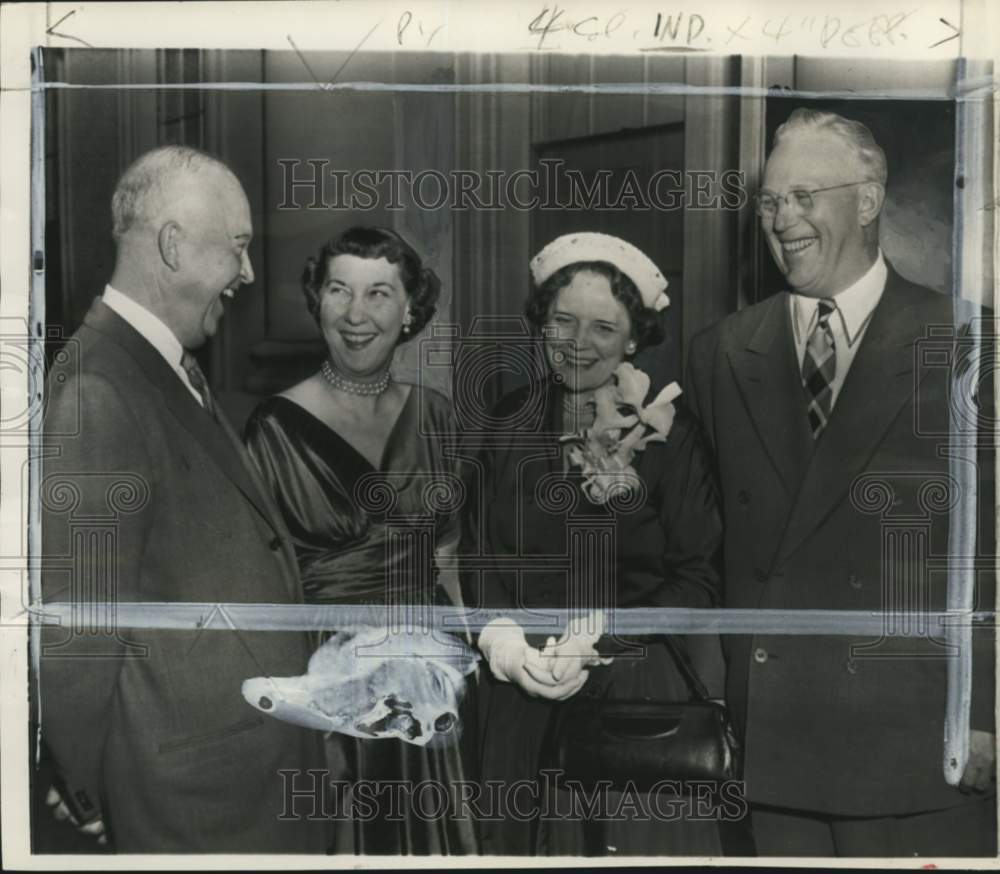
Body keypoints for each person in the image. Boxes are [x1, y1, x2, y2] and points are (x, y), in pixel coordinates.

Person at [686, 108, 996, 856]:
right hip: (775, 739)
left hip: (918, 740)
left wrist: (985, 707)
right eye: (770, 202)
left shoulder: (968, 342)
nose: (782, 220)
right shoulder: (722, 351)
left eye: (803, 196)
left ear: (866, 199)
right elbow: (696, 542)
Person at [40, 146, 326, 852]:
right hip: (191, 802)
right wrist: (85, 787)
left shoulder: (160, 367)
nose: (249, 274)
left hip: (237, 778)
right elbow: (80, 628)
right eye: (238, 248)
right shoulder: (101, 390)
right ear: (172, 245)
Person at [463, 232, 725, 856]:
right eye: (562, 321)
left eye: (603, 327)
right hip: (518, 694)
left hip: (631, 698)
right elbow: (476, 551)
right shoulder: (507, 419)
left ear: (635, 337)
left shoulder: (671, 434)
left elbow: (698, 579)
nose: (578, 344)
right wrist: (498, 634)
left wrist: (599, 636)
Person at [243, 226, 478, 855]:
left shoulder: (436, 416)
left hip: (428, 667)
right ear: (317, 301)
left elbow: (449, 556)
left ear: (409, 312)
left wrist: (461, 670)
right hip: (327, 674)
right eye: (339, 290)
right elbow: (259, 581)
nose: (355, 313)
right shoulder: (272, 426)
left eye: (379, 294)